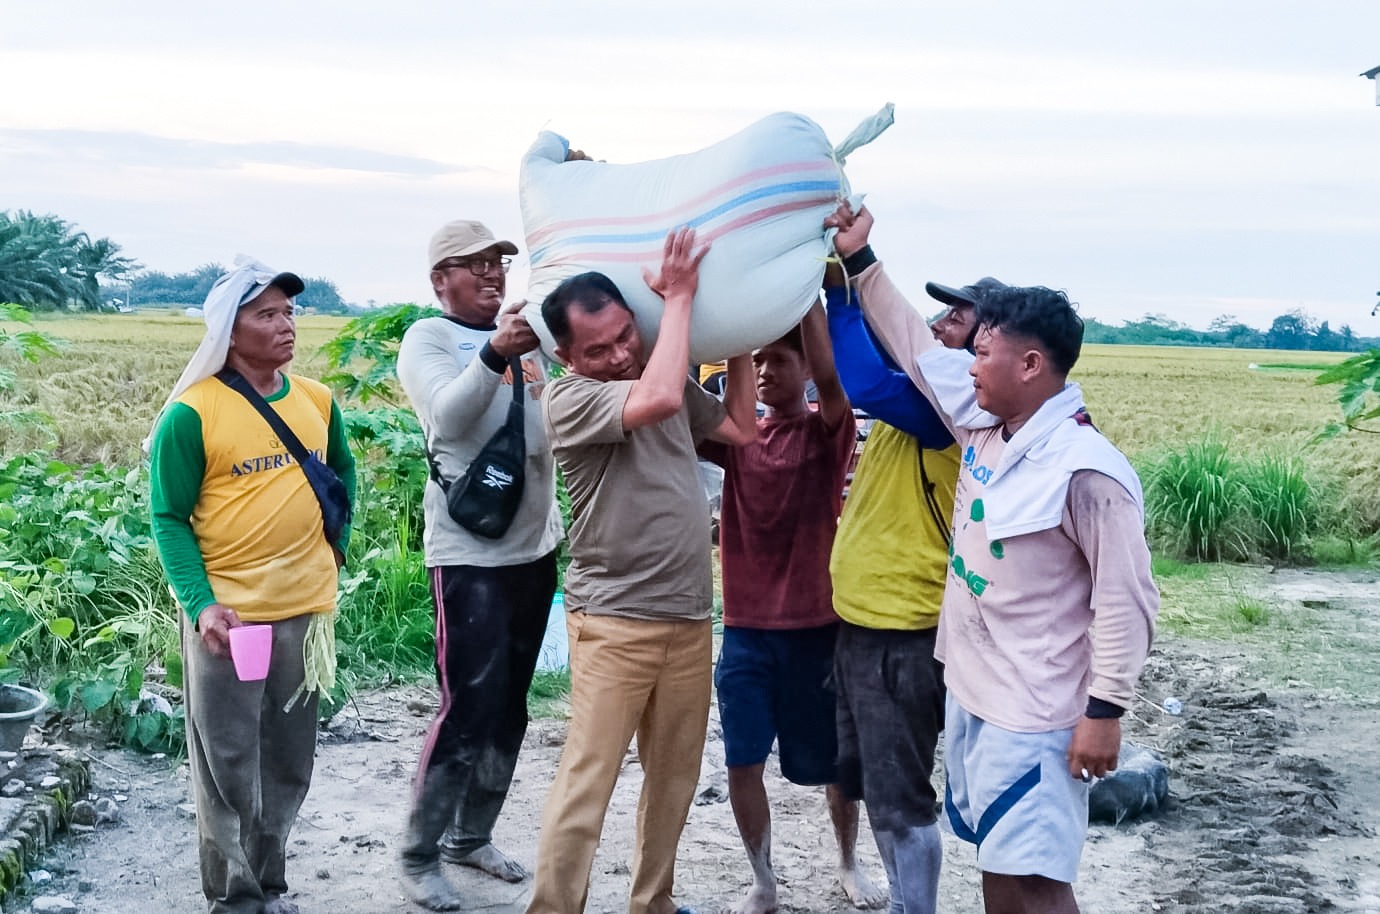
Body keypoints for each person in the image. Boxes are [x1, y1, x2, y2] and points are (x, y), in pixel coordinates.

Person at [825, 204, 1158, 914]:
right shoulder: (982, 421)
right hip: (975, 695)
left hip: (1036, 716)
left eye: (982, 353)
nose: (968, 365)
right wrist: (859, 260)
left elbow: (1126, 601)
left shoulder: (1086, 472)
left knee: (1036, 886)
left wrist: (1105, 712)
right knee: (998, 870)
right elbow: (913, 345)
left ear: (1031, 365)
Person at [526, 227, 757, 914]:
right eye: (598, 349)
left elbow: (740, 428)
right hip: (614, 620)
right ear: (566, 357)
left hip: (688, 616)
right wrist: (681, 297)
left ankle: (653, 901)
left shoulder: (661, 372)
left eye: (626, 334)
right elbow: (656, 401)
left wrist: (741, 334)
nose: (621, 353)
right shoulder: (568, 399)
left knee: (674, 778)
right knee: (588, 780)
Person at [149, 259, 356, 914]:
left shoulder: (317, 400)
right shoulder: (192, 415)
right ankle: (235, 897)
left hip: (304, 614)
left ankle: (269, 882)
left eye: (289, 312)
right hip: (231, 622)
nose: (286, 324)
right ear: (229, 333)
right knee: (229, 760)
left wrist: (336, 544)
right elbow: (168, 518)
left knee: (289, 757)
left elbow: (342, 472)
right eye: (266, 314)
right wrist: (201, 604)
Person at [395, 220, 565, 910]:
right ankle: (418, 854)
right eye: (476, 264)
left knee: (510, 707)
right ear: (441, 280)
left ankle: (471, 836)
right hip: (471, 554)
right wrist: (495, 351)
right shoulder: (429, 339)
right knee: (466, 706)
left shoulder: (529, 337)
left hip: (534, 547)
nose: (494, 273)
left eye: (499, 262)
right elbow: (446, 418)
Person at [825, 269, 1005, 914]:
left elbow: (866, 381)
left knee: (902, 796)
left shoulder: (955, 411)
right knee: (879, 787)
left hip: (904, 630)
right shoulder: (922, 393)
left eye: (956, 318)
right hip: (863, 622)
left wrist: (840, 292)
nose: (935, 326)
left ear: (989, 346)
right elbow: (881, 351)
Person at [698, 300, 886, 914]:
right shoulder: (737, 438)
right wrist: (734, 327)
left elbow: (831, 380)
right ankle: (763, 880)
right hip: (745, 632)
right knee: (741, 761)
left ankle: (848, 861)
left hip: (816, 630)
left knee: (836, 766)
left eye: (780, 360)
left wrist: (803, 294)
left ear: (805, 370)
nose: (765, 371)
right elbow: (683, 401)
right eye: (758, 361)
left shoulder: (826, 432)